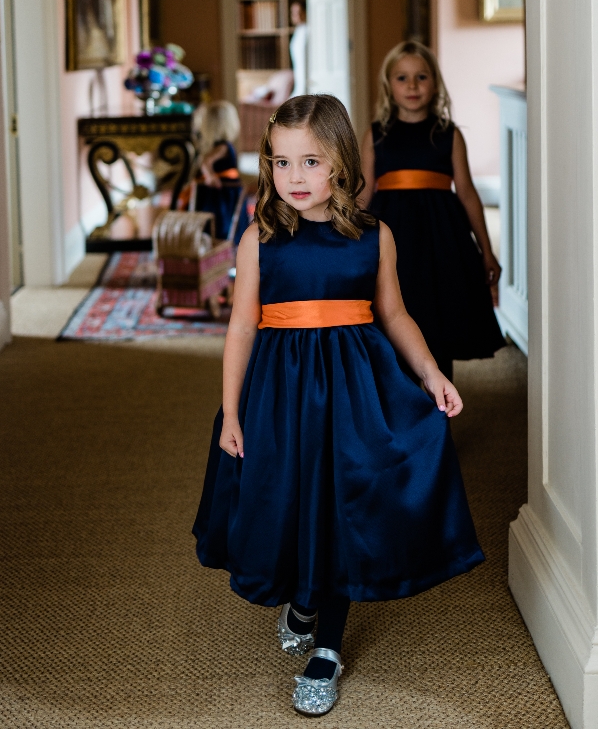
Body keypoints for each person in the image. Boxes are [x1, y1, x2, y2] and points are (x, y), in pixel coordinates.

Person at [193, 94, 484, 717]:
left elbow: (395, 313)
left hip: (355, 390)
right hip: (279, 393)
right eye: (280, 162)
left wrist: (431, 374)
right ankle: (302, 598)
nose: (294, 178)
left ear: (343, 166)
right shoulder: (259, 238)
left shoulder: (374, 236)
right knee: (289, 497)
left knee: (346, 504)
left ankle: (326, 646)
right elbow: (241, 329)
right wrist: (232, 412)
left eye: (310, 162)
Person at [360, 41, 506, 382]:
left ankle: (440, 419)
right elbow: (363, 193)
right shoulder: (376, 134)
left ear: (435, 84)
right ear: (388, 86)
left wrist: (487, 251)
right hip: (392, 239)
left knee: (439, 322)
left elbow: (467, 193)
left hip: (443, 241)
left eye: (421, 77)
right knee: (391, 319)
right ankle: (401, 419)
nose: (412, 86)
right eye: (402, 78)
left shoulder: (449, 135)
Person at [190, 100, 249, 243]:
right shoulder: (224, 147)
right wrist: (210, 177)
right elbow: (206, 162)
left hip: (224, 191)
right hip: (223, 192)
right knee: (223, 223)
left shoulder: (221, 146)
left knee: (224, 222)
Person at [289, 0, 308, 97]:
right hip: (299, 77)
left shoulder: (307, 30)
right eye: (294, 13)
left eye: (300, 12)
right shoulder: (298, 31)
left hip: (307, 77)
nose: (297, 16)